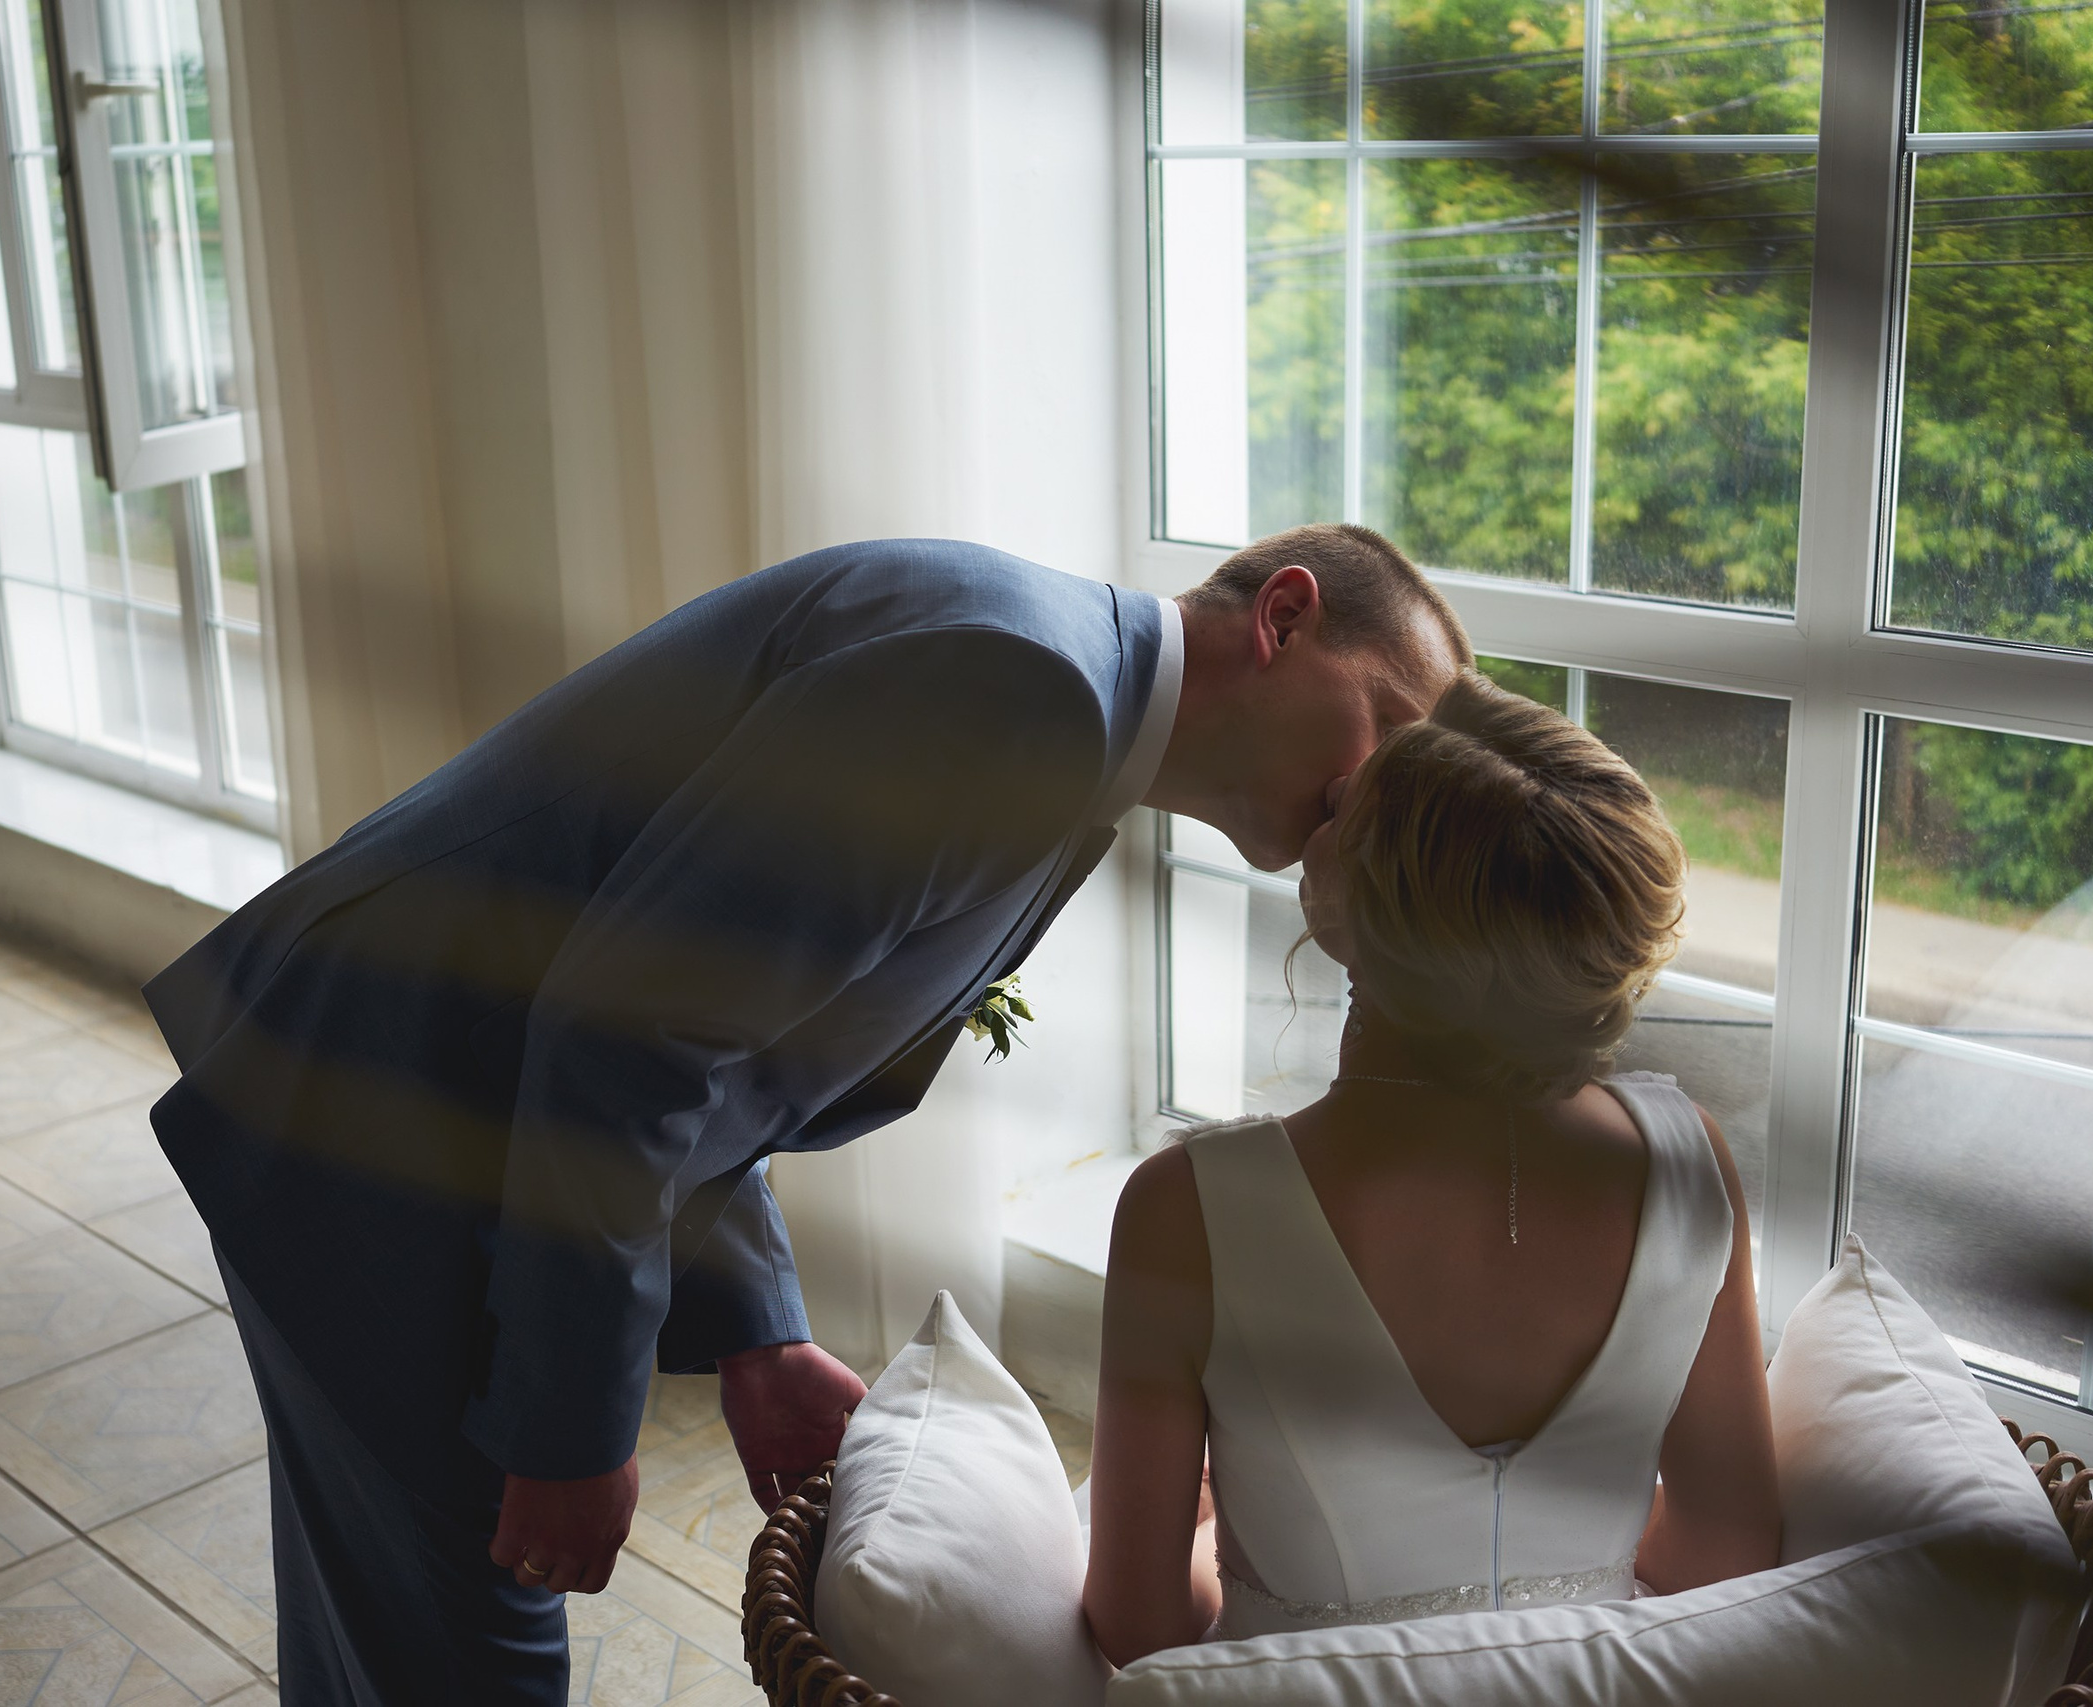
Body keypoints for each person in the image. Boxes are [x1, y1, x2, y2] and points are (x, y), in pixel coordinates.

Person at [141, 527, 1468, 1702]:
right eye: (1391, 727)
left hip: (417, 1095)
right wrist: (568, 1426)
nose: (1384, 790)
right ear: (1283, 615)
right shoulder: (1023, 691)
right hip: (383, 1113)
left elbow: (717, 1028)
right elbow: (628, 1032)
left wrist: (757, 1331)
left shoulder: (1057, 690)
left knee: (392, 1636)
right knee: (458, 1658)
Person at [1083, 672, 1781, 1666]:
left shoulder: (1183, 1208)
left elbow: (1136, 1627)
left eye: (1344, 812)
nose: (1322, 806)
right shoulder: (1687, 1161)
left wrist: (1211, 1544)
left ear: (1366, 914)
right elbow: (1726, 1550)